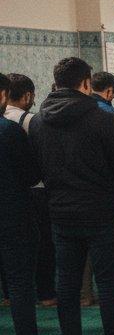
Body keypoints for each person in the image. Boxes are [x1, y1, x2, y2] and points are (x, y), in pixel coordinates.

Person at [29, 57, 114, 335]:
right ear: (86, 83)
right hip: (101, 211)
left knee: (67, 283)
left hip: (61, 212)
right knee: (108, 284)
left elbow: (35, 168)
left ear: (56, 83)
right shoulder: (101, 118)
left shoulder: (40, 121)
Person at [0, 73, 61, 335]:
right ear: (3, 95)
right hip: (13, 215)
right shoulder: (8, 131)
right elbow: (31, 174)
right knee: (21, 285)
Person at [4, 73, 56, 306]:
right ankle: (45, 293)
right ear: (27, 96)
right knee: (42, 246)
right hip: (29, 194)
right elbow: (36, 164)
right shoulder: (29, 121)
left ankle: (7, 295)